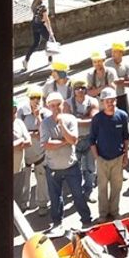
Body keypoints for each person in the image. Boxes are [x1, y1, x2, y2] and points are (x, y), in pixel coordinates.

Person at [40, 93, 93, 237]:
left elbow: (74, 139)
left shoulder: (70, 119)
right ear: (48, 107)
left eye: (58, 105)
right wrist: (64, 142)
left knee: (78, 195)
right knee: (55, 198)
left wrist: (62, 125)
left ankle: (86, 220)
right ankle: (57, 224)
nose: (56, 108)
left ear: (63, 105)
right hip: (53, 167)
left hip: (71, 166)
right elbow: (46, 144)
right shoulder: (45, 123)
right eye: (53, 105)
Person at [89, 87, 129, 220]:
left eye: (112, 100)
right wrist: (97, 158)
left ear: (116, 100)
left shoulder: (122, 116)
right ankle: (103, 214)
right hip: (102, 159)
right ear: (102, 102)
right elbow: (92, 140)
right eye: (107, 101)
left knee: (116, 187)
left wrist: (126, 155)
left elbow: (126, 137)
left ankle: (114, 211)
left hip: (118, 158)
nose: (110, 103)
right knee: (102, 188)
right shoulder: (97, 119)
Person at [18, 85, 51, 215]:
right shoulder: (21, 112)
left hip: (40, 153)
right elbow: (18, 129)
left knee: (42, 180)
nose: (36, 100)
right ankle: (23, 203)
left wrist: (38, 117)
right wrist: (34, 134)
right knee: (24, 179)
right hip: (25, 154)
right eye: (33, 98)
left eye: (38, 97)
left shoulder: (45, 112)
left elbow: (45, 131)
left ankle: (42, 204)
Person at [67, 78, 99, 201]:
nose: (80, 90)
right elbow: (67, 121)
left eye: (82, 88)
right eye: (77, 88)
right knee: (75, 168)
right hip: (74, 140)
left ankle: (89, 189)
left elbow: (94, 119)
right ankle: (77, 192)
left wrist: (76, 120)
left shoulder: (93, 101)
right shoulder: (67, 103)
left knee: (90, 167)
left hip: (89, 138)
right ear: (73, 90)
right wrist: (84, 119)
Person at [22, 0, 55, 72]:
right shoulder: (43, 6)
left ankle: (26, 60)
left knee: (35, 43)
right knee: (49, 41)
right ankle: (50, 60)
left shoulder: (34, 4)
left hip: (34, 25)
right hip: (41, 25)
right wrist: (50, 30)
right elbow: (46, 19)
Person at [11, 101, 33, 210]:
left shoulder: (19, 123)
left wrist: (17, 144)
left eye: (14, 110)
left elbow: (29, 142)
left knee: (18, 195)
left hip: (19, 167)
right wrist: (19, 142)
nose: (12, 113)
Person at [104, 41, 129, 114]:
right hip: (110, 96)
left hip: (122, 95)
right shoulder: (107, 64)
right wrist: (122, 79)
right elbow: (105, 81)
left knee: (125, 117)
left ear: (121, 53)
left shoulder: (127, 65)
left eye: (115, 51)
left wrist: (116, 81)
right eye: (112, 51)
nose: (112, 53)